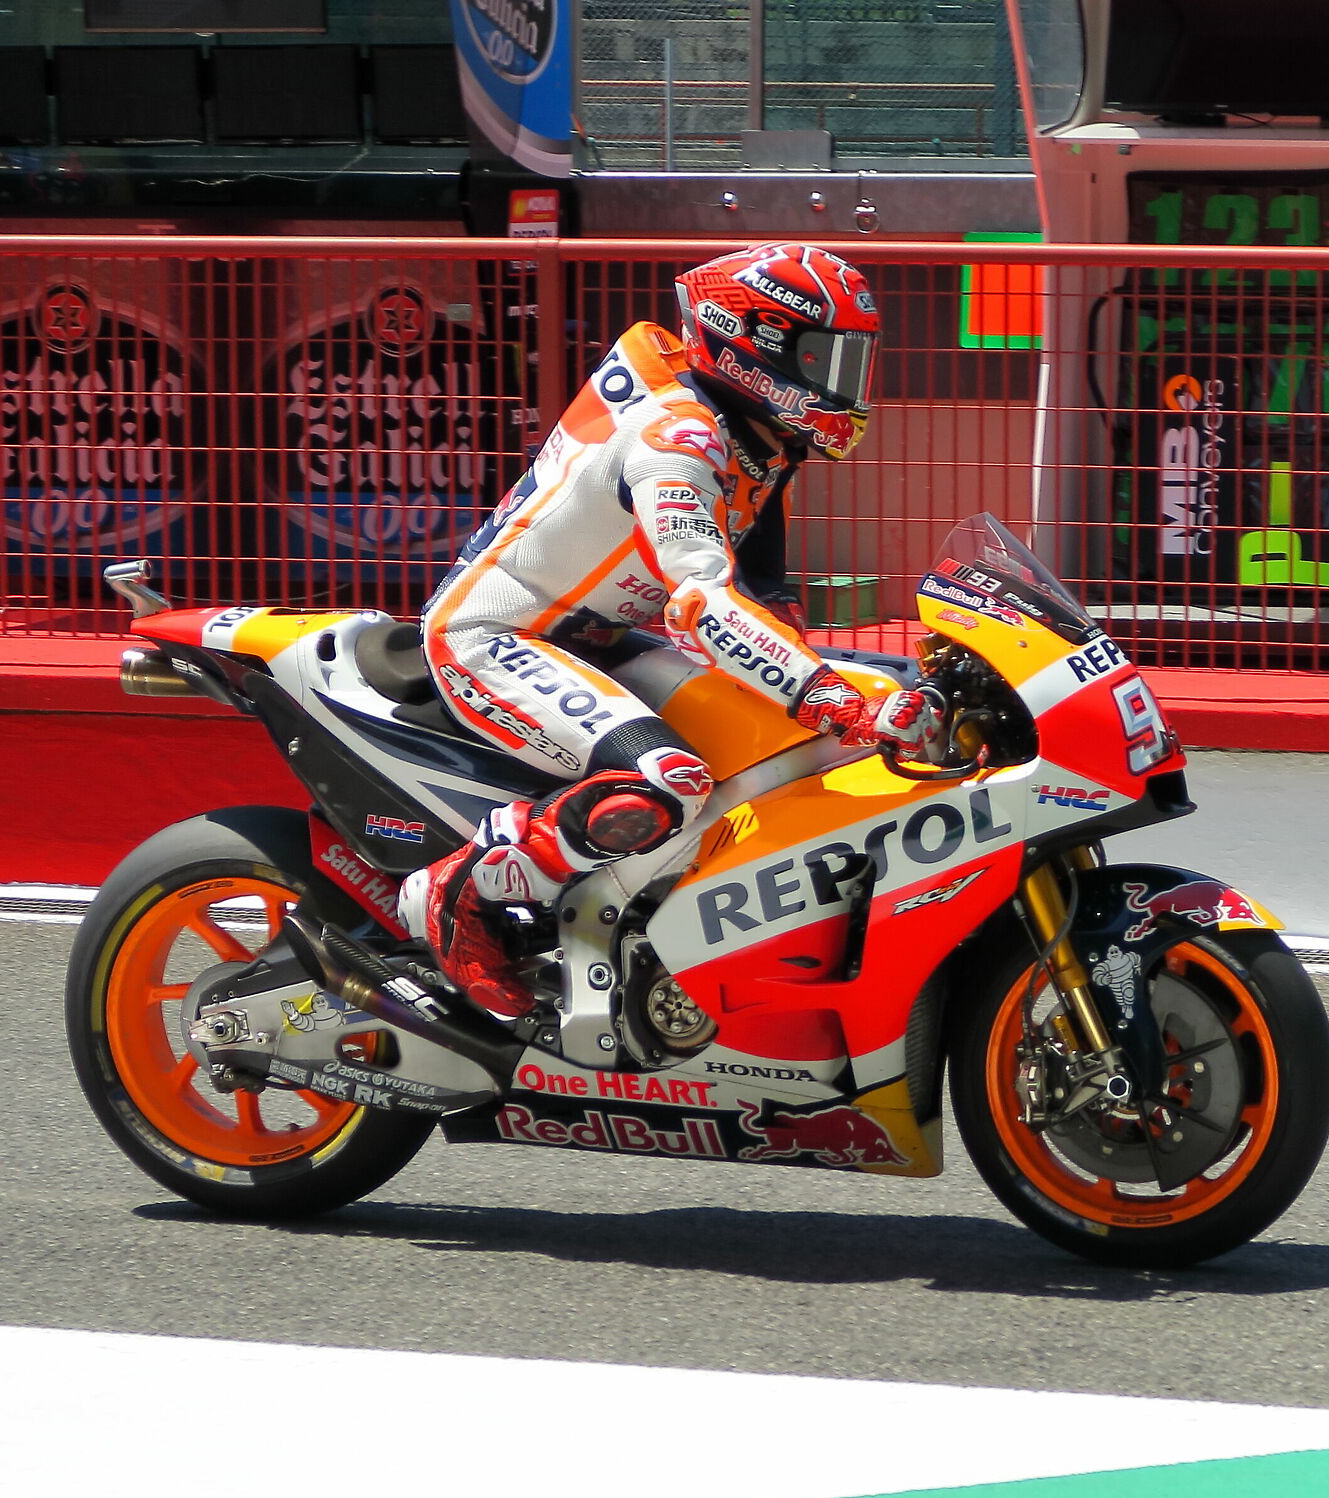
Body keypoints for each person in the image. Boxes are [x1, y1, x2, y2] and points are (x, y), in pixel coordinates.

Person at [399, 242, 938, 1019]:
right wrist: (832, 696)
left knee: (787, 732)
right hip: (496, 635)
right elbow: (701, 605)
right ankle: (459, 894)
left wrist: (851, 687)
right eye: (826, 359)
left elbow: (764, 598)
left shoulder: (760, 439)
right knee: (669, 780)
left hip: (596, 638)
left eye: (852, 362)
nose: (843, 384)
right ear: (755, 344)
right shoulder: (676, 439)